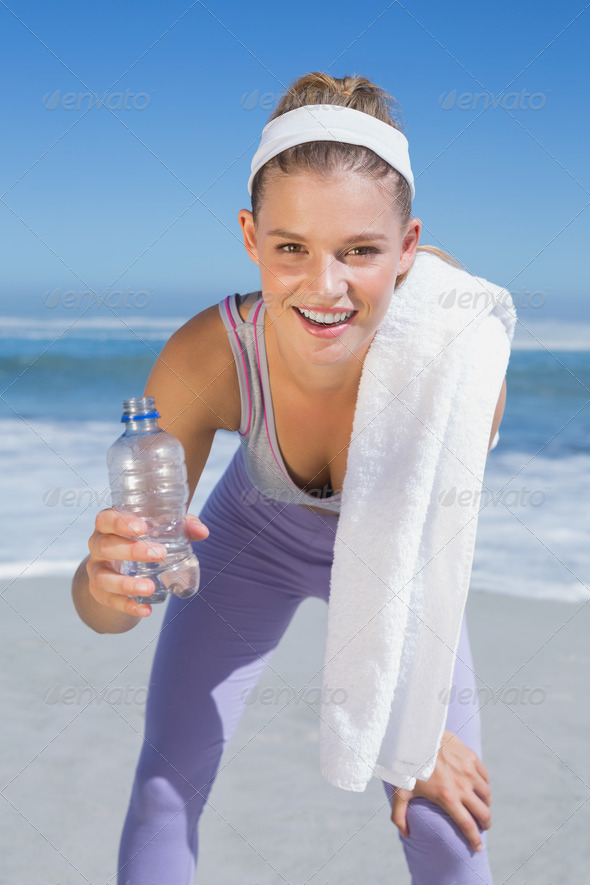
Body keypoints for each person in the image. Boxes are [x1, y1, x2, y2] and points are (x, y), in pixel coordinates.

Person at [71, 71, 506, 885]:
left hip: (401, 567)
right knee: (165, 787)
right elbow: (108, 613)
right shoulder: (211, 355)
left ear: (407, 247)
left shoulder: (458, 357)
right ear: (250, 236)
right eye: (291, 248)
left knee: (444, 813)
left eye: (362, 250)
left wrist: (414, 726)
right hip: (254, 537)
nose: (325, 285)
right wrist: (105, 581)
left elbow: (432, 558)